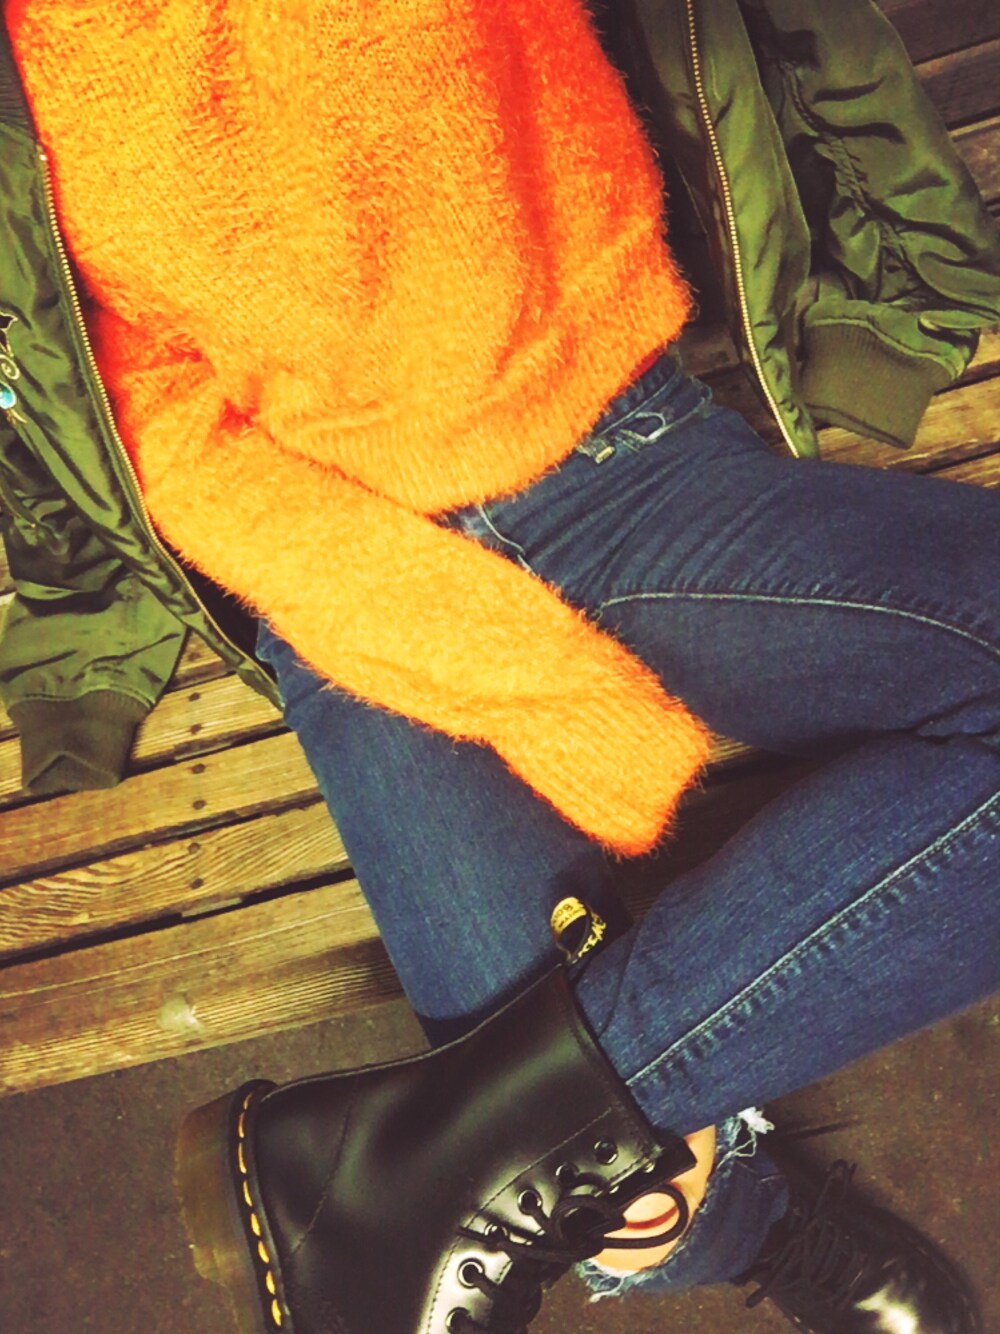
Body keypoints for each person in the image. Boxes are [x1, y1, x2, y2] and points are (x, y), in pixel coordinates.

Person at [1, 1, 998, 1331]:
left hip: (622, 451)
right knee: (634, 1206)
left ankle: (472, 1164)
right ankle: (715, 1206)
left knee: (559, 1139)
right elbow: (148, 432)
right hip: (344, 565)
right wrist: (544, 687)